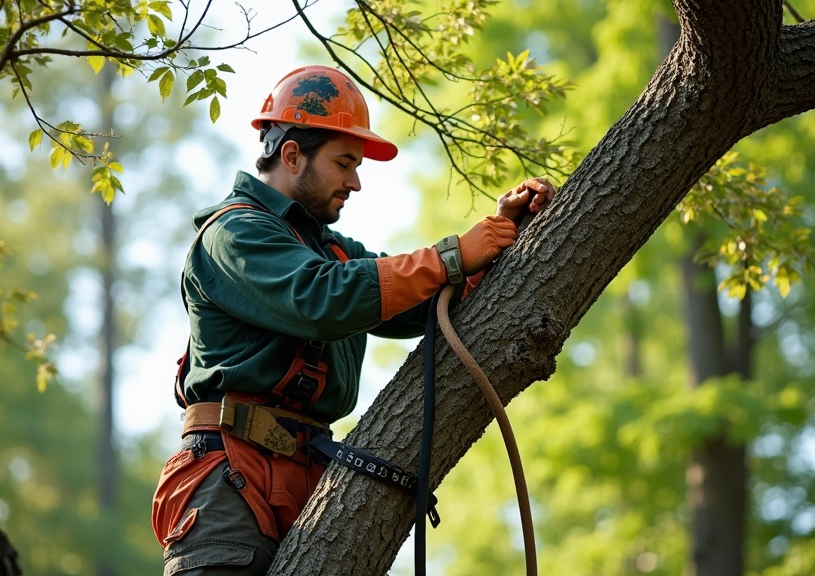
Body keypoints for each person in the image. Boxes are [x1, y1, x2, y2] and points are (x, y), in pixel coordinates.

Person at [151, 64, 555, 575]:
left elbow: (418, 300)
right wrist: (452, 255)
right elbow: (323, 299)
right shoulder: (234, 234)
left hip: (309, 479)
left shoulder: (331, 251)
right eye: (344, 163)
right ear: (292, 155)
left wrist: (495, 241)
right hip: (229, 481)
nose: (356, 182)